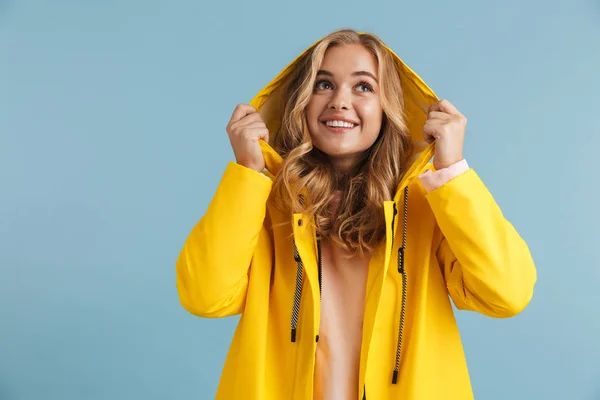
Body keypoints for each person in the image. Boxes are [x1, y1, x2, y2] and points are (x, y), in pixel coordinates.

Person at [175, 29, 537, 400]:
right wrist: (249, 172)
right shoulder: (265, 201)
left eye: (363, 87)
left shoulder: (431, 204)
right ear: (300, 100)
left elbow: (507, 293)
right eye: (323, 84)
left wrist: (452, 170)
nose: (339, 102)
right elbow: (205, 296)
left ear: (388, 107)